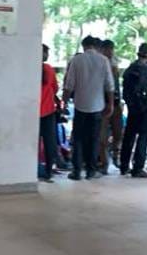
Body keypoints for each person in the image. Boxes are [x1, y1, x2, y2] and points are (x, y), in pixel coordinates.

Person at [62, 36, 114, 180]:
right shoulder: (103, 60)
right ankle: (91, 171)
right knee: (94, 139)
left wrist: (64, 102)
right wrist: (110, 104)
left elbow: (69, 84)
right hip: (97, 107)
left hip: (80, 106)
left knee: (78, 138)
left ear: (84, 46)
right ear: (96, 46)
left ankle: (77, 171)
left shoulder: (77, 60)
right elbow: (109, 85)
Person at [120, 42, 147, 177]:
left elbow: (125, 89)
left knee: (129, 137)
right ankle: (138, 168)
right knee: (143, 138)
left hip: (133, 109)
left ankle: (124, 166)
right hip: (146, 108)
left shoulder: (130, 68)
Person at [97, 39, 123, 174]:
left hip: (116, 103)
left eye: (112, 49)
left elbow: (116, 86)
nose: (110, 52)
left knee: (118, 133)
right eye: (108, 49)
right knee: (102, 136)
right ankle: (104, 163)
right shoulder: (100, 64)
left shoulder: (115, 64)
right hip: (103, 104)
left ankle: (116, 155)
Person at [39, 44, 59, 182]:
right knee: (49, 142)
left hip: (31, 112)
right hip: (47, 111)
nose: (48, 55)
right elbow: (55, 88)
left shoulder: (27, 68)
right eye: (46, 52)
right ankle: (48, 171)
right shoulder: (49, 69)